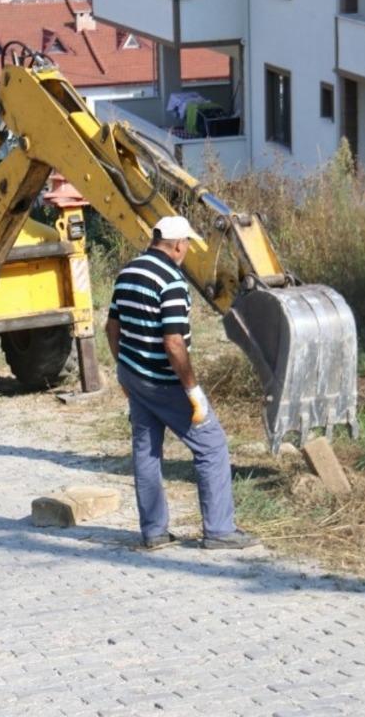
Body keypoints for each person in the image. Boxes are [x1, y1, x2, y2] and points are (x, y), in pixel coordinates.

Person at [105, 215, 260, 551]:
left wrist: (123, 370)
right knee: (212, 444)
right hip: (165, 383)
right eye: (187, 243)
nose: (187, 249)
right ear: (177, 245)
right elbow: (173, 343)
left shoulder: (128, 273)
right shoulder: (172, 282)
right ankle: (219, 530)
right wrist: (192, 391)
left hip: (135, 377)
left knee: (146, 451)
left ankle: (154, 532)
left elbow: (112, 328)